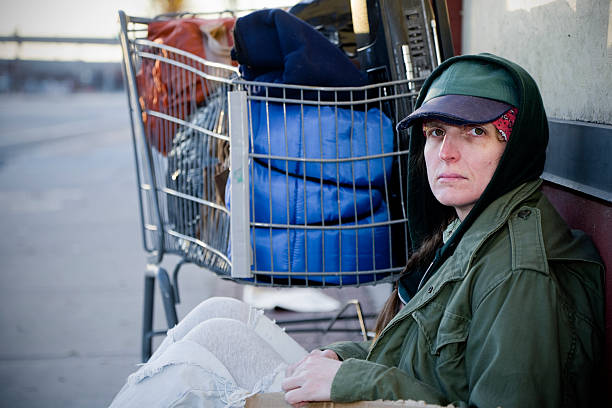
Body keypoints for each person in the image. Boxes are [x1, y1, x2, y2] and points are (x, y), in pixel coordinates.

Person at [109, 53, 605, 408]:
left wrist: (350, 380)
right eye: (436, 133)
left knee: (189, 382)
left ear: (514, 147)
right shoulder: (469, 226)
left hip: (381, 397)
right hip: (381, 388)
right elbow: (421, 354)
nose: (446, 153)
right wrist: (341, 354)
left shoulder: (517, 273)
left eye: (474, 133)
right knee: (219, 315)